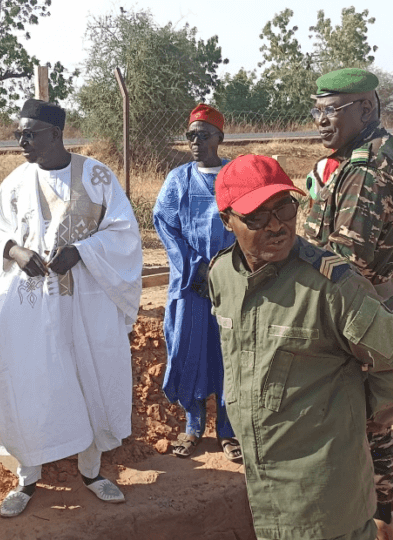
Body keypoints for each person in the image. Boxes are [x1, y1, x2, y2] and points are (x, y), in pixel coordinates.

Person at [208, 154, 393, 540]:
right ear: (228, 220)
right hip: (266, 478)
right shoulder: (222, 275)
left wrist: (360, 415)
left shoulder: (331, 286)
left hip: (326, 488)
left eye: (285, 208)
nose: (276, 226)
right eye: (257, 216)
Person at [0, 99, 142, 518]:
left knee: (90, 378)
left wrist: (83, 252)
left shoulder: (98, 176)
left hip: (87, 304)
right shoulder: (14, 183)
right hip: (31, 310)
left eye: (29, 134)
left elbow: (125, 233)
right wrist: (14, 250)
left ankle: (92, 472)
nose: (21, 142)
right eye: (18, 135)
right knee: (32, 382)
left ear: (56, 134)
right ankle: (27, 477)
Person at [301, 67, 393, 538]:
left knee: (357, 425)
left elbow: (344, 264)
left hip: (354, 312)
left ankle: (365, 524)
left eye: (332, 111)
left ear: (366, 109)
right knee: (371, 423)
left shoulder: (368, 168)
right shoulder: (356, 158)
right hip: (365, 305)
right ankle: (379, 521)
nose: (321, 121)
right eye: (318, 110)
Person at [153, 103, 240, 462]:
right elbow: (166, 225)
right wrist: (195, 268)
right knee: (188, 348)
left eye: (203, 135)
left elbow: (247, 225)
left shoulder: (234, 177)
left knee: (229, 353)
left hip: (231, 283)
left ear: (220, 137)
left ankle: (229, 431)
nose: (195, 142)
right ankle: (192, 426)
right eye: (190, 135)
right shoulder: (178, 180)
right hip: (189, 285)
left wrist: (222, 270)